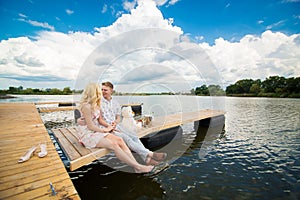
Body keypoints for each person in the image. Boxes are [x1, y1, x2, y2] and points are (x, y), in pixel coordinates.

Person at [77, 83, 154, 173]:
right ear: (94, 92)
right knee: (114, 145)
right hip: (89, 134)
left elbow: (100, 119)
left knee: (120, 140)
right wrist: (105, 129)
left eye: (103, 90)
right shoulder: (86, 106)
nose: (101, 92)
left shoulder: (96, 105)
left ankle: (138, 164)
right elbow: (90, 126)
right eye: (99, 90)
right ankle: (137, 166)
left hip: (98, 131)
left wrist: (110, 127)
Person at [99, 81, 167, 165]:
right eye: (101, 90)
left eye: (105, 90)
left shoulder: (115, 103)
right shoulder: (98, 103)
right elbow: (99, 120)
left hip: (116, 126)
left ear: (111, 91)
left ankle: (146, 159)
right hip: (105, 129)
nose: (103, 92)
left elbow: (118, 117)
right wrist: (110, 127)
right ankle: (150, 154)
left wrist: (115, 123)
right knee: (126, 138)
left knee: (134, 135)